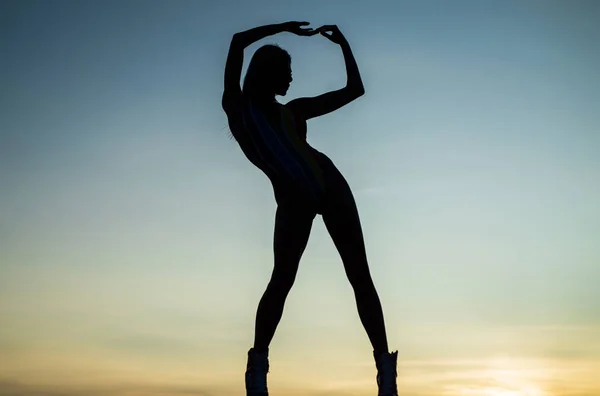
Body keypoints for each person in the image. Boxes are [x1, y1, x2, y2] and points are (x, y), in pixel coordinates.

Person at [221, 21, 398, 396]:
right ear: (267, 73)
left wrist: (344, 45)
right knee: (282, 279)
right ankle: (256, 371)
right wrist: (283, 28)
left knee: (360, 277)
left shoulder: (295, 111)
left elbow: (355, 90)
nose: (291, 79)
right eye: (286, 72)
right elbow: (237, 43)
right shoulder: (239, 108)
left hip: (330, 184)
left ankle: (386, 372)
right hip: (292, 201)